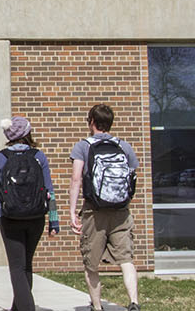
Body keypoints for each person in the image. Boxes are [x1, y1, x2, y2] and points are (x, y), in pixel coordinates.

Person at [68, 104, 141, 311]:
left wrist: (73, 212)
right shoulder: (124, 146)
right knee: (126, 259)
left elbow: (76, 180)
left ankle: (98, 307)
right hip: (121, 211)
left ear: (92, 122)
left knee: (91, 263)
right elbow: (132, 177)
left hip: (94, 211)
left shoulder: (83, 146)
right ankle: (134, 302)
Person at [0, 116, 60, 311]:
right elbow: (49, 191)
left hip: (10, 218)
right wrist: (54, 222)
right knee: (26, 264)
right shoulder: (39, 156)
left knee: (17, 267)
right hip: (36, 218)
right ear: (27, 133)